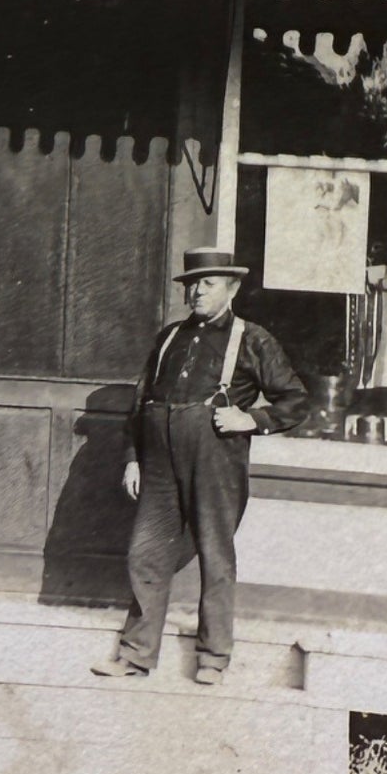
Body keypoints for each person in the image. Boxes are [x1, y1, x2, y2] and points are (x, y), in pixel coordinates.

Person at [92, 247, 309, 686]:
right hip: (158, 463)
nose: (196, 291)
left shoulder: (253, 339)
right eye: (192, 283)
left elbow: (296, 400)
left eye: (207, 283)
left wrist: (251, 419)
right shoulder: (169, 337)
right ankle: (136, 656)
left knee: (215, 556)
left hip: (214, 458)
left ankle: (212, 658)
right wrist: (132, 458)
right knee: (146, 553)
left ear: (231, 288)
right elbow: (140, 404)